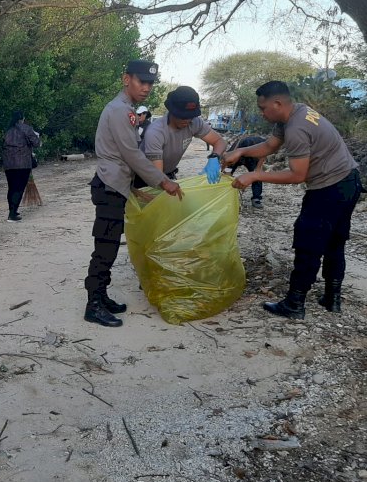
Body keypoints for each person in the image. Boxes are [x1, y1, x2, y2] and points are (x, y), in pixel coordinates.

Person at [222, 81, 362, 319]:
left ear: (277, 104)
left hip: (330, 188)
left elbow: (298, 175)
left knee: (308, 243)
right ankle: (332, 298)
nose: (261, 112)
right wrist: (241, 151)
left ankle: (295, 303)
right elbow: (269, 146)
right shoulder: (294, 113)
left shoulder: (296, 127)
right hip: (350, 181)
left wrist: (254, 175)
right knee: (334, 242)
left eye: (263, 108)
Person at [85, 60, 183, 328]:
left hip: (115, 186)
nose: (147, 88)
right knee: (105, 248)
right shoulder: (120, 111)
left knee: (110, 246)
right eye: (142, 81)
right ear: (126, 78)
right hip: (108, 187)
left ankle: (101, 296)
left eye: (150, 83)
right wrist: (163, 182)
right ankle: (93, 304)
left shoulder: (125, 109)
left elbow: (125, 157)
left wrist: (135, 191)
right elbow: (131, 154)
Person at [134, 86, 226, 188]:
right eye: (182, 116)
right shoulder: (156, 132)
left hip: (168, 174)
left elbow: (219, 141)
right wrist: (168, 184)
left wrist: (214, 157)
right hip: (144, 178)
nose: (187, 121)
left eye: (190, 116)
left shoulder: (195, 122)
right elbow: (157, 176)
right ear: (172, 111)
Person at [2, 110, 40, 222]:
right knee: (19, 188)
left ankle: (12, 210)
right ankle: (12, 214)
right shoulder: (27, 129)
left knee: (12, 188)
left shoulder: (8, 130)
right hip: (23, 163)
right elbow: (36, 143)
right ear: (22, 118)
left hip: (8, 164)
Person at [226, 135, 266, 208]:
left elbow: (264, 155)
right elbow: (227, 163)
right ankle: (225, 193)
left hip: (252, 157)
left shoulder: (262, 144)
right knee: (226, 174)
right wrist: (227, 173)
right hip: (236, 154)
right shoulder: (235, 148)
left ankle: (256, 198)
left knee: (257, 176)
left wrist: (258, 167)